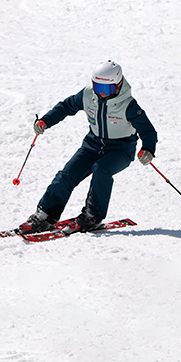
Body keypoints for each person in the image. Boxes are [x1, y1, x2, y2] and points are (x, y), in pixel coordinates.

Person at [19, 60, 158, 234]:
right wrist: (46, 120)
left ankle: (92, 216)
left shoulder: (128, 105)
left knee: (101, 169)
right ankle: (45, 215)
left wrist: (148, 149)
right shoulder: (87, 95)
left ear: (118, 84)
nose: (101, 93)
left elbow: (148, 131)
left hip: (121, 149)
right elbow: (66, 106)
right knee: (66, 175)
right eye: (97, 87)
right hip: (92, 145)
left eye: (107, 89)